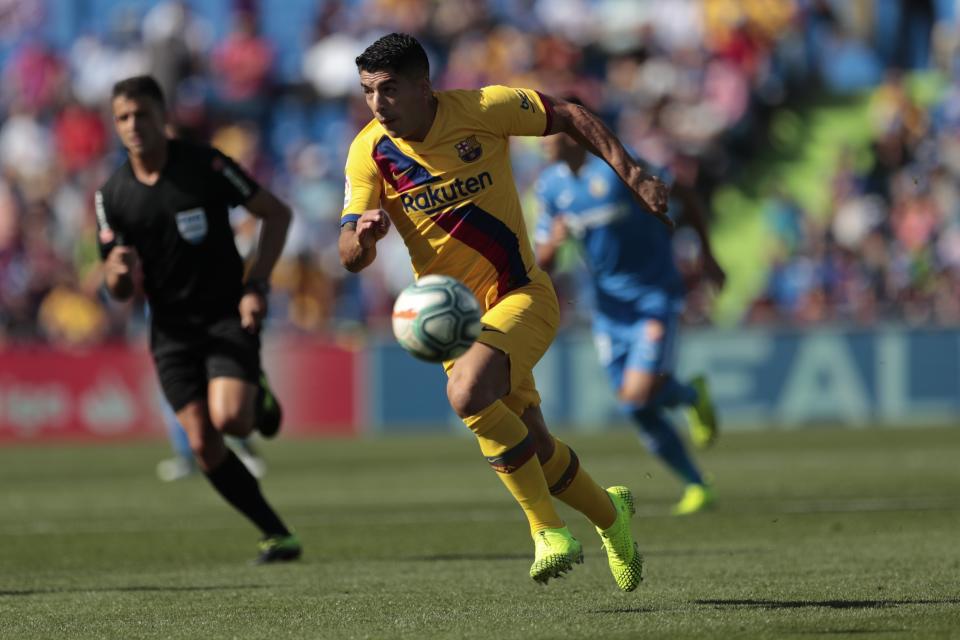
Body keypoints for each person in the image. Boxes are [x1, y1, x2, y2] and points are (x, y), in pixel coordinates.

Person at [339, 33, 672, 591]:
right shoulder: (367, 151)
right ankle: (614, 519)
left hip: (522, 295)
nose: (378, 104)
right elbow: (348, 251)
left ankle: (547, 531)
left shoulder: (483, 109)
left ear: (424, 87)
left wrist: (631, 172)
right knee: (535, 447)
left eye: (390, 90)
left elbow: (568, 113)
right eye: (369, 91)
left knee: (467, 395)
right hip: (455, 326)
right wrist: (364, 239)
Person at [95, 75, 299, 563]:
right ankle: (276, 534)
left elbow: (276, 214)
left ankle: (258, 395)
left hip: (227, 313)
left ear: (162, 116)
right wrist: (116, 273)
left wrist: (257, 284)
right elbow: (118, 289)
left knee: (231, 418)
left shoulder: (205, 164)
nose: (133, 125)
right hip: (170, 331)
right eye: (123, 117)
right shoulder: (112, 195)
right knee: (204, 444)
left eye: (141, 113)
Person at [534, 104, 726, 515]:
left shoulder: (617, 168)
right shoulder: (550, 188)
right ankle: (696, 480)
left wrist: (706, 255)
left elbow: (683, 192)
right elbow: (544, 260)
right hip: (608, 308)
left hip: (653, 294)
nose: (540, 141)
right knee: (633, 406)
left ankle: (689, 396)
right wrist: (556, 239)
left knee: (638, 396)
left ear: (571, 134)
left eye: (547, 133)